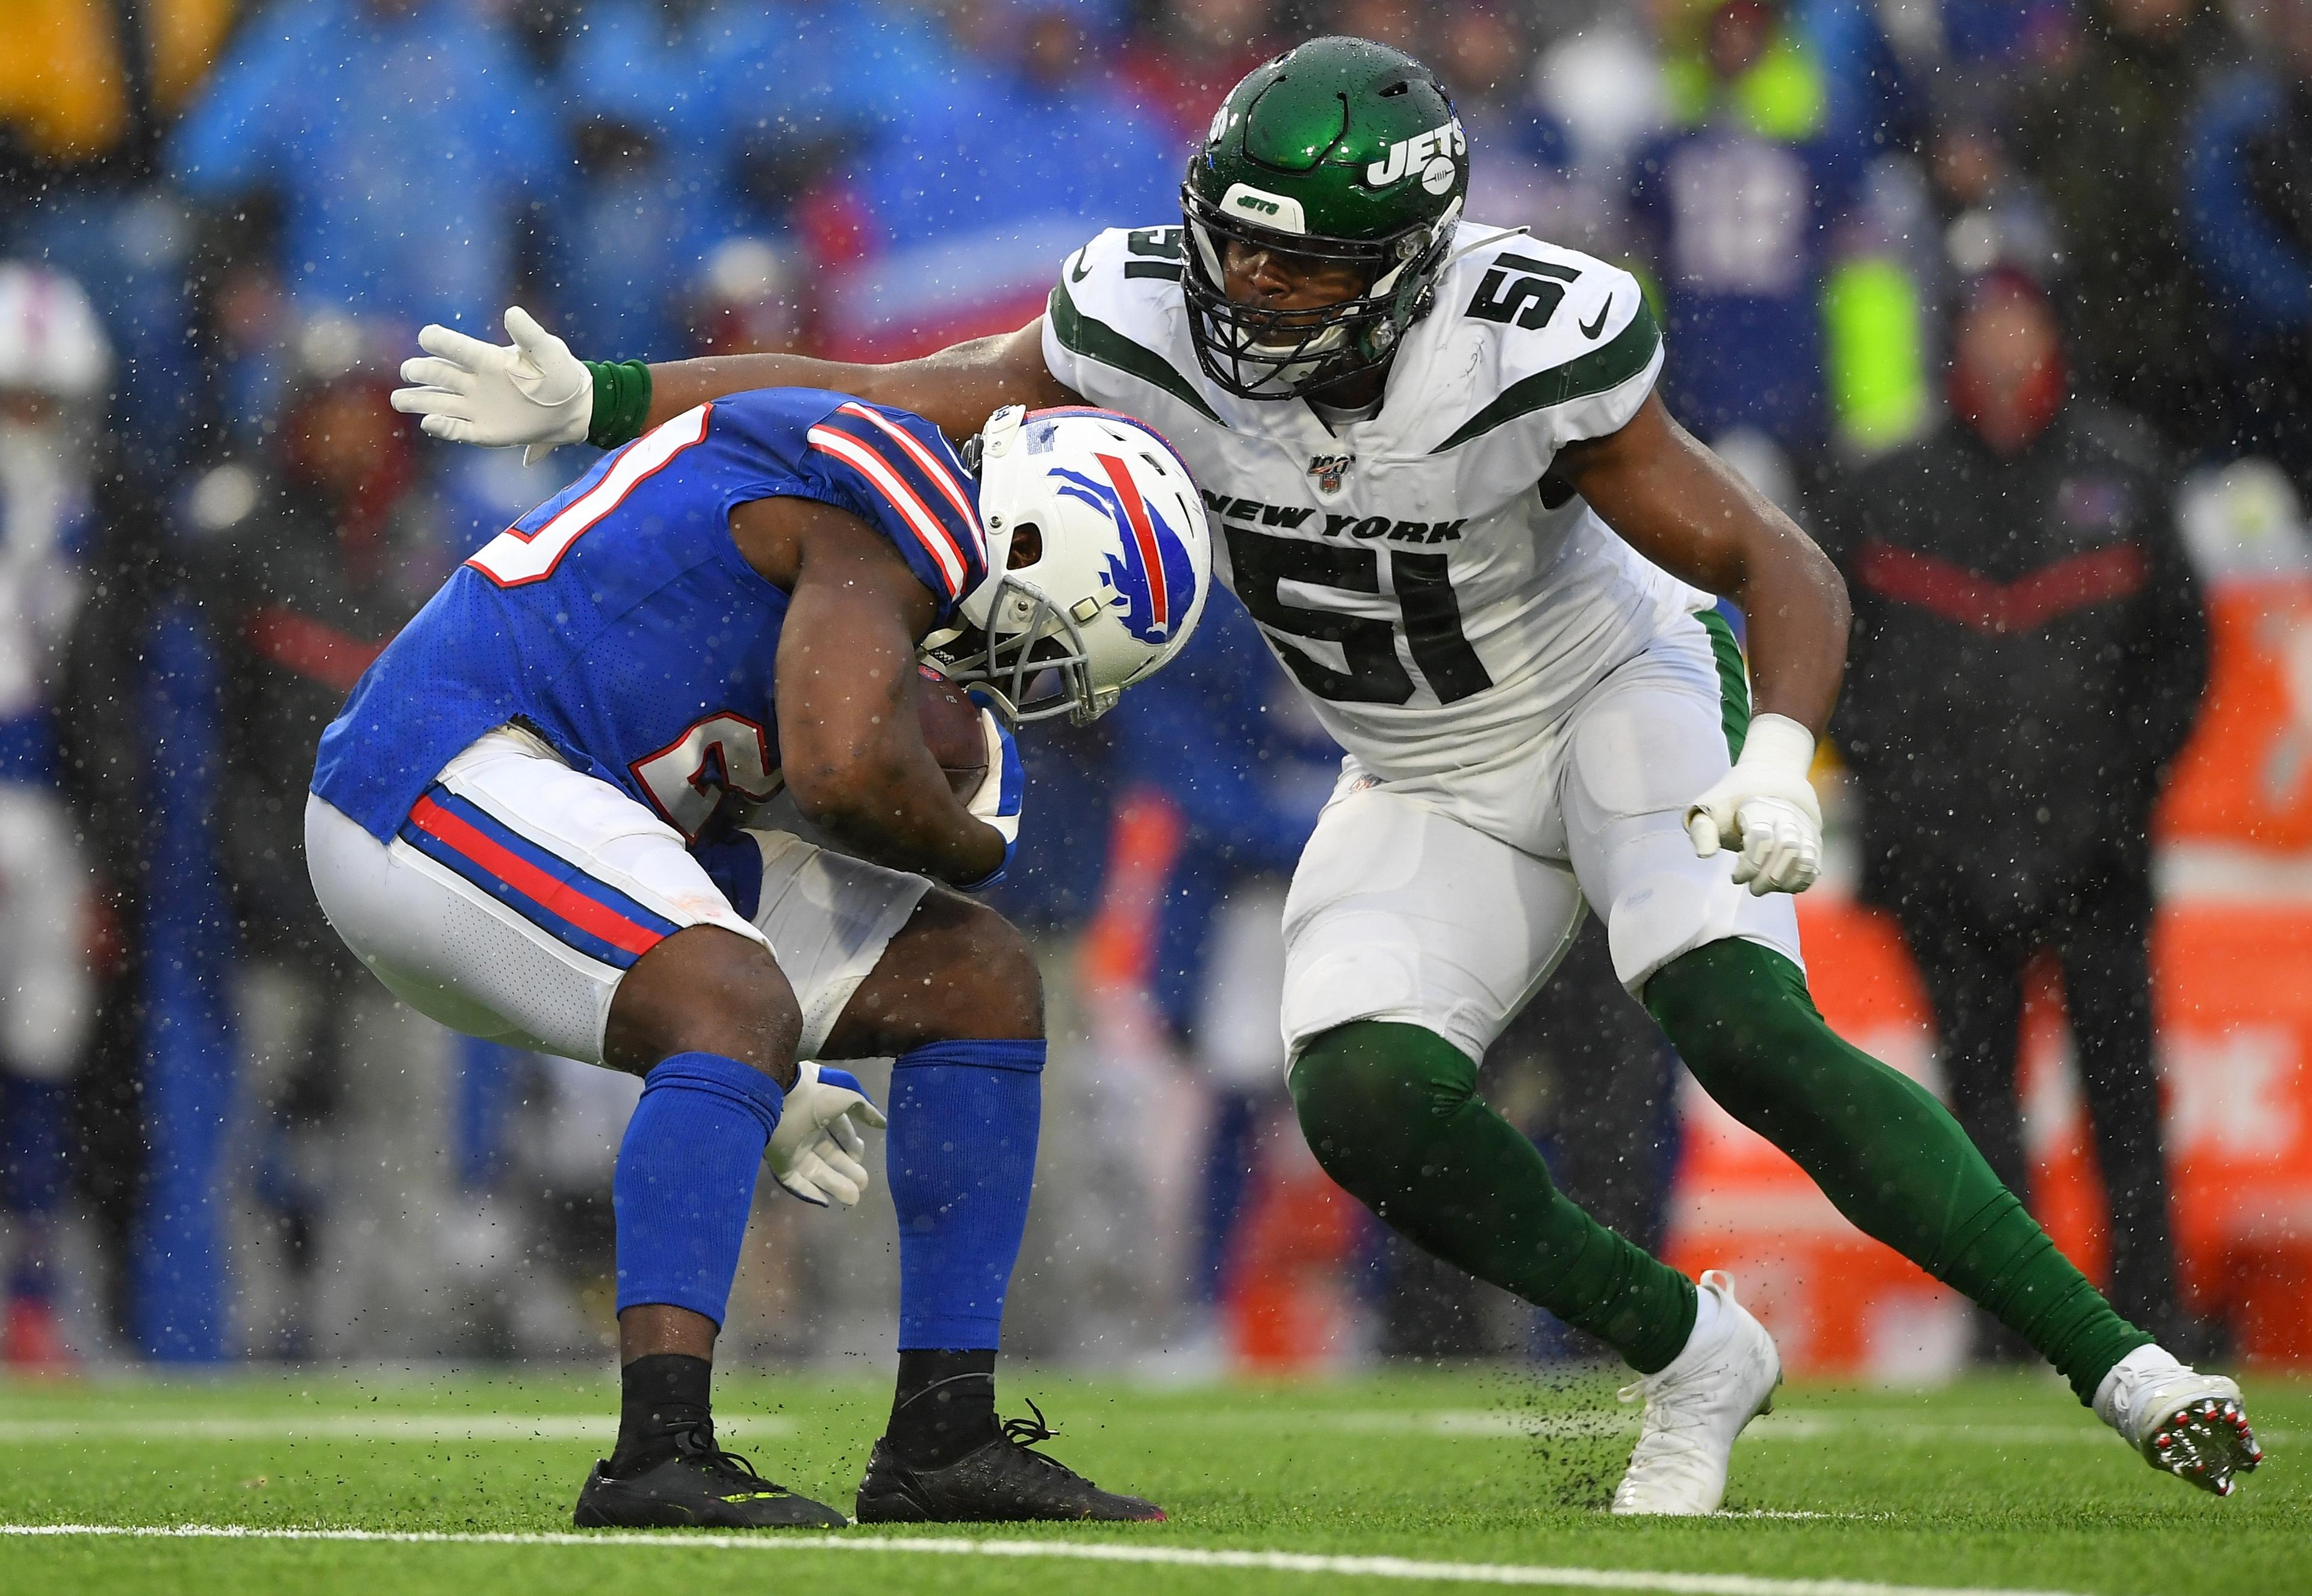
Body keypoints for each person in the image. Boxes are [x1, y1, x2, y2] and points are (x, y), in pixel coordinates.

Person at [393, 36, 2264, 1508]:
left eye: (1298, 262)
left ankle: (2129, 1368)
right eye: (1235, 237)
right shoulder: (1148, 317)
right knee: (1366, 1103)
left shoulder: (1526, 340)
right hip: (1418, 759)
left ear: (1404, 264)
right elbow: (888, 398)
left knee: (1737, 1019)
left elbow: (1775, 558)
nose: (1247, 283)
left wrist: (1781, 747)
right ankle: (1692, 1351)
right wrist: (613, 397)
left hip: (1608, 687)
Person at [309, 372, 1209, 1527]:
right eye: (1034, 645)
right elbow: (840, 778)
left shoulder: (897, 568)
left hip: (598, 814)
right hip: (439, 768)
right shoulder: (900, 496)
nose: (1008, 683)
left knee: (976, 982)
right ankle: (656, 1455)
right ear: (1025, 538)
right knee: (732, 1000)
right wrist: (974, 850)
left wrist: (746, 1062)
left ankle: (944, 1435)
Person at [1824, 270, 2211, 1358]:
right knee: (1977, 1105)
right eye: (1984, 315)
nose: (2002, 337)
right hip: (1943, 853)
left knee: (2124, 1096)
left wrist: (2114, 793)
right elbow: (1838, 659)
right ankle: (2010, 1324)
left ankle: (2153, 1309)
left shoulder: (2125, 472)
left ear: (2050, 328)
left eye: (2020, 313)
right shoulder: (1885, 485)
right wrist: (1912, 795)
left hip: (2094, 847)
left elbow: (2179, 658)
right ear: (1957, 332)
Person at [0, 264, 105, 1365]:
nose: (27, 428)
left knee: (43, 1053)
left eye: (44, 404)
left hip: (48, 811)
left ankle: (31, 1302)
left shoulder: (84, 522)